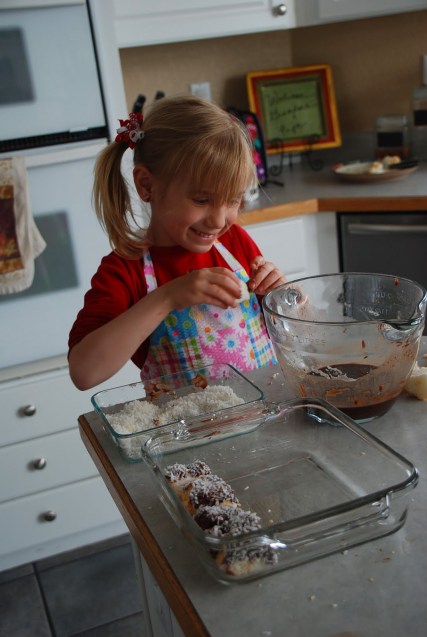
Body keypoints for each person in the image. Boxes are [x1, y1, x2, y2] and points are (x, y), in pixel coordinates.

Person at [68, 95, 286, 390]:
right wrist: (167, 297)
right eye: (201, 200)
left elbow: (290, 334)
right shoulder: (126, 270)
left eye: (233, 200)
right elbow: (84, 373)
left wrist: (284, 298)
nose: (218, 221)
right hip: (187, 421)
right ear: (147, 185)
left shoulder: (234, 242)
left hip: (266, 413)